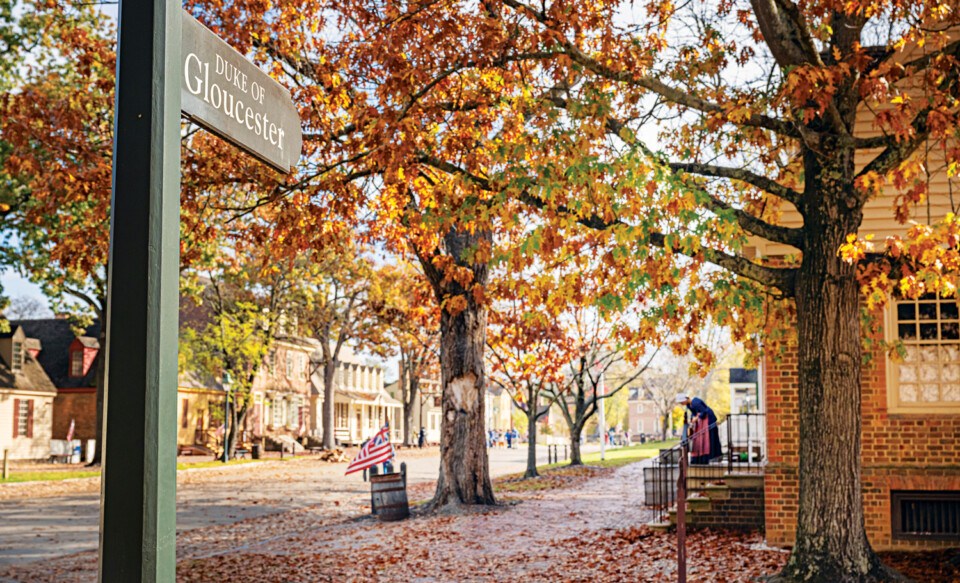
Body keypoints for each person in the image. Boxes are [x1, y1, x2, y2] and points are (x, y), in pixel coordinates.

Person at [676, 393, 722, 464]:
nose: (681, 404)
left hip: (709, 420)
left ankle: (714, 456)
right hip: (703, 422)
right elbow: (694, 413)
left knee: (711, 438)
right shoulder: (689, 405)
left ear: (685, 399)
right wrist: (692, 419)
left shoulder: (695, 402)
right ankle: (702, 457)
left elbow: (704, 411)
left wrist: (697, 418)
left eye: (681, 402)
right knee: (703, 438)